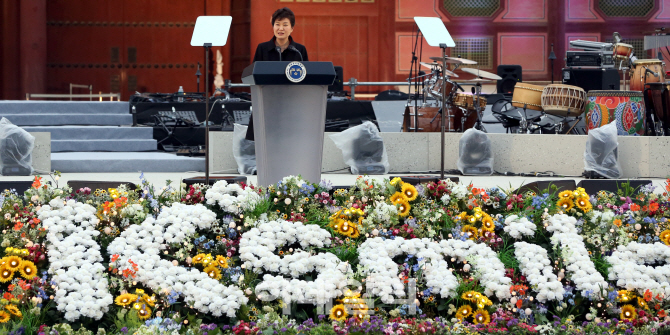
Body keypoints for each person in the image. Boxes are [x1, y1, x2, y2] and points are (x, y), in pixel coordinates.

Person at [246, 7, 309, 141]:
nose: (280, 28)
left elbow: (306, 77)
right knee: (265, 141)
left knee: (290, 141)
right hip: (266, 103)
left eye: (285, 25)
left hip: (291, 105)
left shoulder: (299, 51)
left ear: (292, 28)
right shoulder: (263, 49)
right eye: (277, 24)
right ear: (273, 26)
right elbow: (253, 74)